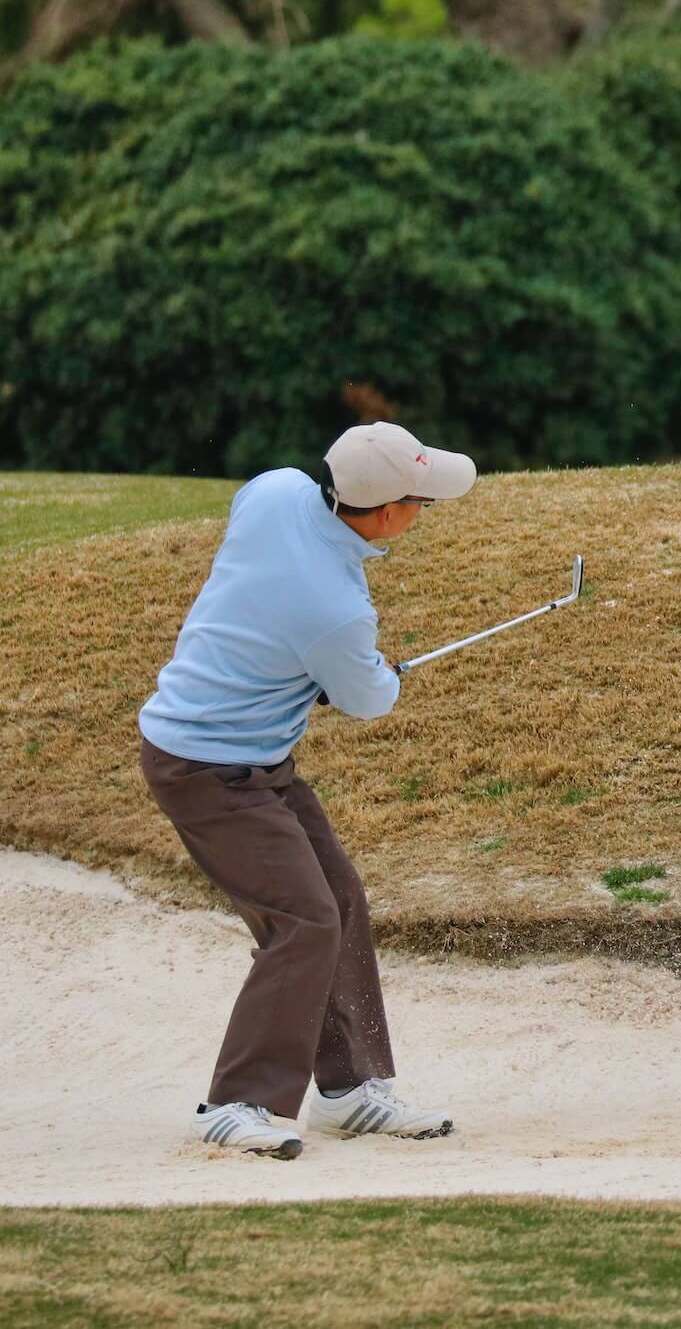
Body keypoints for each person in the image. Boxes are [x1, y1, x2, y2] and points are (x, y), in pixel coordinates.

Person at [137, 422, 476, 1159]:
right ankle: (235, 1102)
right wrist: (362, 668)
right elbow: (370, 699)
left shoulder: (277, 490)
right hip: (203, 769)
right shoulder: (337, 610)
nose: (424, 510)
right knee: (304, 917)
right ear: (387, 514)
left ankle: (350, 1089)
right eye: (420, 500)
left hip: (257, 759)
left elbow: (262, 577)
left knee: (340, 898)